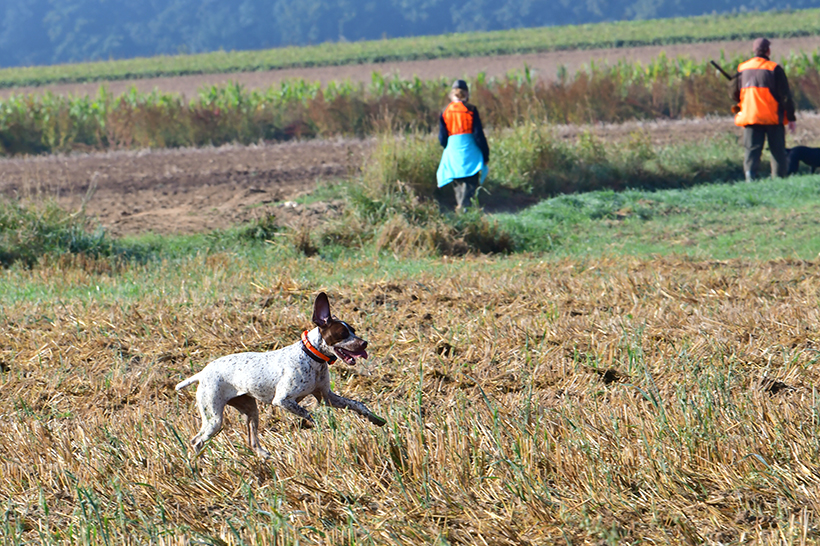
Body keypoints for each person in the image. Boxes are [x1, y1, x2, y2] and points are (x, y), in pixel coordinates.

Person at [732, 37, 796, 181]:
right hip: (772, 117)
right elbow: (786, 97)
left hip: (750, 116)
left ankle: (750, 179)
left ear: (754, 51)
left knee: (751, 151)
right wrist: (791, 118)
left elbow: (734, 94)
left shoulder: (742, 68)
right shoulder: (774, 68)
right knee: (777, 151)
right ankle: (779, 180)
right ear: (768, 51)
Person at [437, 80, 490, 211]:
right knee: (470, 182)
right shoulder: (471, 110)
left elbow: (442, 138)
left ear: (452, 93)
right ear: (467, 93)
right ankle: (465, 210)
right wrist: (485, 153)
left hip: (453, 151)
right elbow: (478, 135)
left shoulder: (445, 111)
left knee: (458, 184)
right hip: (470, 151)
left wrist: (450, 148)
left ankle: (461, 209)